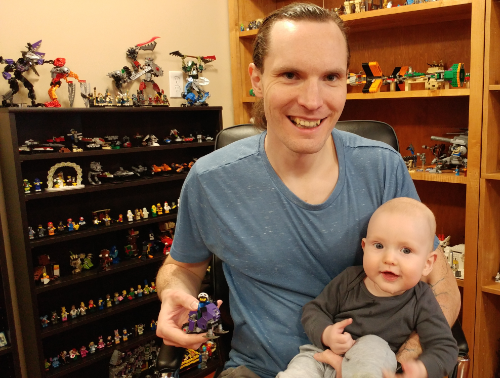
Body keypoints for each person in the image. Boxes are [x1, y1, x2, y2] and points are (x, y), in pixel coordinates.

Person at [155, 3, 460, 378]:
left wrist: (403, 363)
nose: (313, 101)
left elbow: (441, 283)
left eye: (331, 77)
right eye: (290, 74)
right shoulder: (211, 179)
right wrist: (172, 291)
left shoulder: (382, 168)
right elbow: (182, 266)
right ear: (256, 78)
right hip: (258, 370)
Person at [278, 198, 457, 378]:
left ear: (427, 263)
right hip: (321, 357)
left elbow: (445, 347)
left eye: (406, 250)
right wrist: (327, 334)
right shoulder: (349, 280)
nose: (390, 259)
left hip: (370, 366)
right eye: (379, 246)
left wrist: (422, 370)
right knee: (299, 368)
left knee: (373, 344)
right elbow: (314, 310)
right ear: (364, 247)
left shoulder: (422, 299)